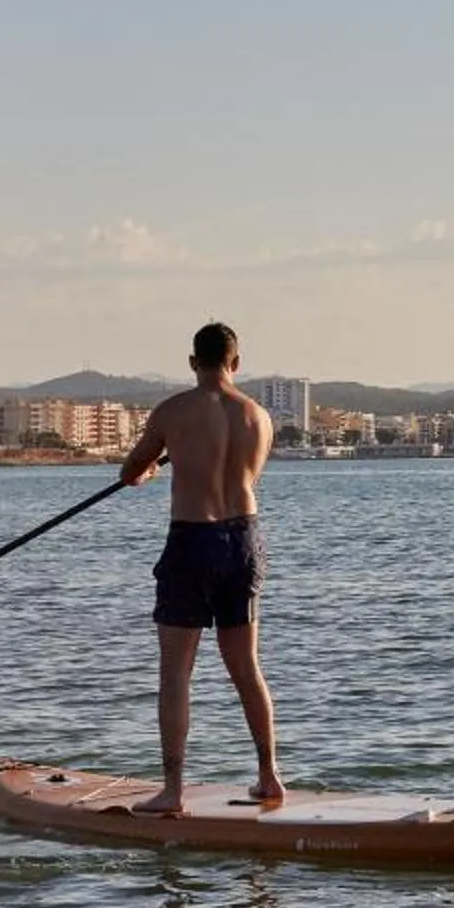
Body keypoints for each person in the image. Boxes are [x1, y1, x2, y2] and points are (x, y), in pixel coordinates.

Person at [118, 321, 281, 815]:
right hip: (244, 540)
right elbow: (244, 473)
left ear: (193, 362)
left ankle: (172, 791)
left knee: (176, 671)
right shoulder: (259, 417)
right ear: (236, 362)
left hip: (193, 538)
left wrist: (149, 468)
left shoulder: (173, 411)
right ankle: (269, 775)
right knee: (246, 666)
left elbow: (130, 473)